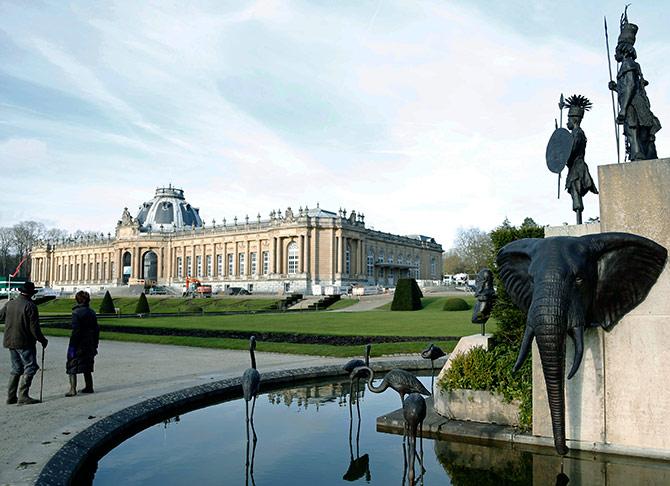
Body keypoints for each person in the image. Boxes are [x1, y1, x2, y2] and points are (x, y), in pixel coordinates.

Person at [608, 7, 661, 161]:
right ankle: (638, 154)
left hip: (633, 103)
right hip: (634, 101)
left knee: (632, 130)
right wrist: (616, 88)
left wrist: (623, 109)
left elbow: (630, 86)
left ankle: (637, 155)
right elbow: (627, 87)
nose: (615, 54)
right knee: (636, 131)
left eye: (617, 50)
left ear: (623, 50)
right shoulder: (632, 64)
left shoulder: (627, 65)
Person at [0, 281, 48, 405]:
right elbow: (34, 328)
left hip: (10, 340)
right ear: (31, 293)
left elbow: (0, 317)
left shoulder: (10, 303)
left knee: (16, 368)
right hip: (24, 341)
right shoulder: (30, 306)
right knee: (31, 366)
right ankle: (23, 395)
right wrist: (42, 340)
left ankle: (11, 397)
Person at [564, 94, 599, 225]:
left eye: (568, 118)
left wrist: (562, 154)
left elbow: (571, 150)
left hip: (578, 166)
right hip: (574, 166)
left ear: (574, 119)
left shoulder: (577, 133)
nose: (567, 122)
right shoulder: (575, 133)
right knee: (574, 190)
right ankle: (578, 216)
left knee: (575, 189)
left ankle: (578, 216)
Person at [65, 291, 100, 396]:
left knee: (72, 363)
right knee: (87, 364)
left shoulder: (76, 313)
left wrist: (72, 347)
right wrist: (95, 344)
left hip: (78, 342)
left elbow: (76, 331)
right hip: (89, 342)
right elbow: (96, 329)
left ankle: (72, 389)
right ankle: (89, 386)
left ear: (77, 300)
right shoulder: (92, 312)